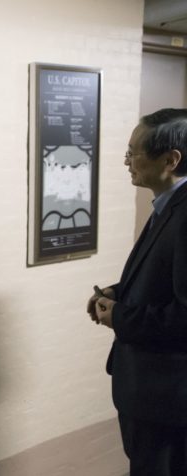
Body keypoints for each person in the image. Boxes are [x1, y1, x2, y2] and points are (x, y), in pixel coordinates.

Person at [88, 108, 187, 476]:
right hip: (150, 393)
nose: (127, 161)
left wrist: (119, 316)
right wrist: (118, 292)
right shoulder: (168, 205)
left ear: (170, 159)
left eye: (134, 152)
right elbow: (165, 278)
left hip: (167, 398)